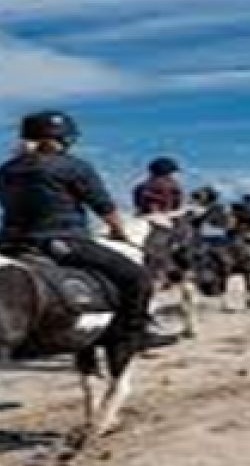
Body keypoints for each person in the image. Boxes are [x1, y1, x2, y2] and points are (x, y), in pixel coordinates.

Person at [0, 111, 175, 350]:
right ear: (64, 139)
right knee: (138, 279)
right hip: (61, 240)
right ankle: (135, 333)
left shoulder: (8, 168)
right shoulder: (73, 166)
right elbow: (103, 206)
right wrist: (119, 233)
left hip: (10, 243)